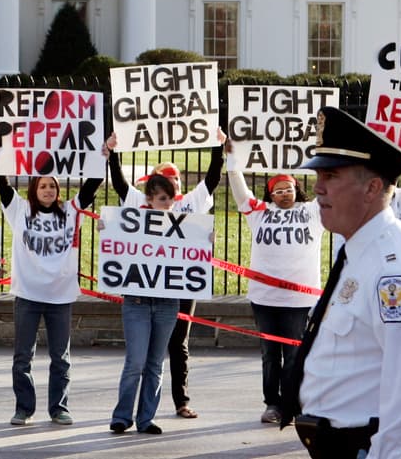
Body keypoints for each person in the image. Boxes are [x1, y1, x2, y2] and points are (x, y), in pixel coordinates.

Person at [280, 106, 401, 459]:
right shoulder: (358, 253)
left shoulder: (398, 269)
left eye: (330, 176)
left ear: (372, 187)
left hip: (373, 448)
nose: (317, 189)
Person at [0, 138, 108, 427]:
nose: (48, 190)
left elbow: (92, 185)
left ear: (58, 190)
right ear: (34, 188)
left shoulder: (71, 212)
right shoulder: (19, 210)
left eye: (53, 186)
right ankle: (24, 409)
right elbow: (4, 187)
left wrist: (104, 155)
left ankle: (59, 408)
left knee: (61, 357)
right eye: (43, 185)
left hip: (60, 296)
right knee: (23, 357)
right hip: (27, 295)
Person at [111, 139, 224, 420]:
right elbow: (120, 184)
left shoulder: (190, 203)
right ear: (152, 188)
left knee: (178, 344)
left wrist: (218, 147)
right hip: (143, 290)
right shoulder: (141, 202)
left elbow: (212, 178)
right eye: (164, 178)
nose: (171, 183)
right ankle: (127, 415)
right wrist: (113, 153)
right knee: (141, 359)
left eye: (175, 178)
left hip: (180, 284)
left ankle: (180, 401)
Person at [225, 152, 322, 426]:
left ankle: (292, 404)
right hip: (264, 297)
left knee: (293, 355)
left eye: (289, 189)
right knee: (270, 354)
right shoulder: (259, 212)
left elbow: (329, 190)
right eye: (278, 191)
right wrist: (233, 161)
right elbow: (240, 192)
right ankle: (272, 404)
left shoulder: (312, 211)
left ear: (297, 189)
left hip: (299, 299)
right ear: (270, 195)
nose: (284, 194)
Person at [103, 140, 180, 435]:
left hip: (167, 303)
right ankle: (123, 416)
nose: (167, 205)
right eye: (162, 199)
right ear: (149, 198)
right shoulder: (133, 221)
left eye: (170, 200)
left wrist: (203, 244)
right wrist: (109, 232)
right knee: (135, 362)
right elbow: (120, 184)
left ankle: (146, 418)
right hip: (136, 301)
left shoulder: (184, 226)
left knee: (155, 365)